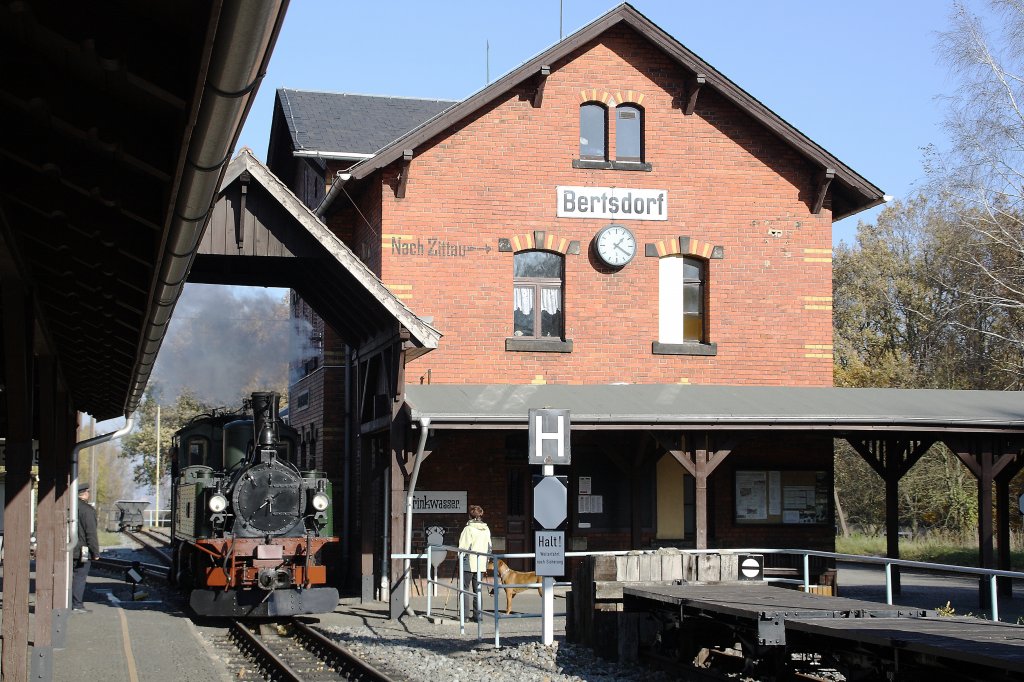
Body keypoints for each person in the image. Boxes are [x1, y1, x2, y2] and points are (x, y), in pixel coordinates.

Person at [457, 504, 491, 621]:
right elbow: (489, 547)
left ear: (470, 516)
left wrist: (459, 558)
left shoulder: (468, 529)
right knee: (478, 590)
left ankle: (465, 616)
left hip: (468, 563)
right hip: (481, 563)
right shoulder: (486, 529)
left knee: (464, 589)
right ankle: (478, 616)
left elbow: (463, 547)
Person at [72, 483, 100, 613]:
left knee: (67, 577)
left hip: (68, 548)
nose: (89, 494)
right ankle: (77, 604)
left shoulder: (69, 507)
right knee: (79, 577)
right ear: (84, 494)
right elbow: (91, 533)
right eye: (88, 492)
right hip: (81, 550)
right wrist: (95, 552)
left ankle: (66, 603)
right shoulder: (87, 510)